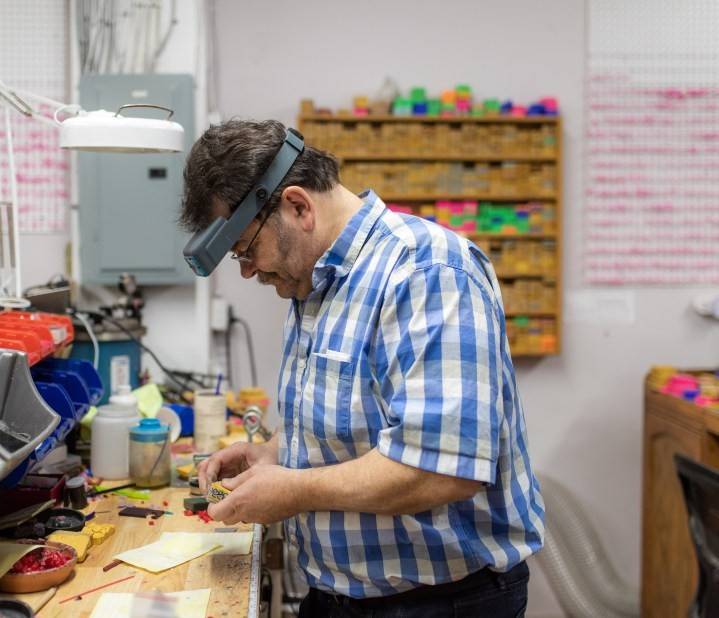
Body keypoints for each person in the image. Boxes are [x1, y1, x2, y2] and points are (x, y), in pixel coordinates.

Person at [179, 119, 544, 617]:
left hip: (440, 604)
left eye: (245, 249)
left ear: (298, 206)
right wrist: (274, 454)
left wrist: (293, 489)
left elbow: (442, 470)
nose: (246, 271)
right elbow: (360, 417)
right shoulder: (315, 283)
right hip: (340, 596)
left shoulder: (427, 272)